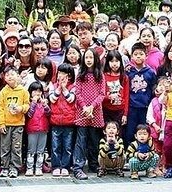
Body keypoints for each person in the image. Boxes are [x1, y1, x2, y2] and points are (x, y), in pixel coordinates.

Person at [72, 48, 105, 180]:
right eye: (87, 58)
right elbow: (77, 92)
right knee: (81, 140)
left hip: (96, 111)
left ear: (96, 59)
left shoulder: (100, 75)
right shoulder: (80, 74)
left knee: (94, 139)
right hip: (83, 111)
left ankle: (94, 164)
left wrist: (92, 106)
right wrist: (85, 107)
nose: (89, 60)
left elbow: (102, 94)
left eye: (91, 57)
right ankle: (78, 167)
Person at [0, 68, 29, 178]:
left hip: (18, 124)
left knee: (16, 147)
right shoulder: (3, 92)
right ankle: (4, 167)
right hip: (6, 124)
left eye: (12, 74)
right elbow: (0, 108)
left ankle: (15, 167)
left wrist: (21, 108)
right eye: (7, 75)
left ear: (17, 75)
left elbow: (27, 105)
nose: (10, 77)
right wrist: (1, 123)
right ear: (4, 78)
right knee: (5, 147)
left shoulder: (23, 91)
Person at [125, 43, 157, 146]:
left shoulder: (150, 72)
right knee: (130, 131)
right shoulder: (128, 72)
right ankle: (130, 152)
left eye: (141, 54)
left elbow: (153, 90)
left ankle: (145, 151)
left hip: (145, 107)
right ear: (132, 56)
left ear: (146, 55)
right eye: (136, 54)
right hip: (131, 107)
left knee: (144, 131)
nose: (138, 56)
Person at [49, 63, 77, 177]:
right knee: (55, 146)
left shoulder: (73, 87)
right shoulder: (53, 85)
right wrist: (59, 88)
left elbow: (71, 99)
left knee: (67, 146)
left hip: (69, 121)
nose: (61, 76)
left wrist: (65, 88)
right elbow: (52, 99)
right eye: (59, 73)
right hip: (55, 121)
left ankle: (65, 166)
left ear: (69, 76)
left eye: (64, 74)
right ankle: (56, 166)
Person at [25, 81, 51, 176]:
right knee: (31, 150)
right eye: (35, 91)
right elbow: (29, 114)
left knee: (41, 151)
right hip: (32, 130)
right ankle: (29, 168)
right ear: (30, 92)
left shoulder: (44, 102)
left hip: (43, 129)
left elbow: (49, 114)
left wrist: (45, 105)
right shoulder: (28, 102)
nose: (37, 93)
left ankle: (39, 168)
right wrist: (33, 103)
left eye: (39, 91)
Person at [103, 50, 129, 136]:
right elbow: (101, 95)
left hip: (119, 110)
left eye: (117, 61)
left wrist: (125, 114)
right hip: (106, 110)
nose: (114, 64)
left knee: (118, 134)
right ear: (108, 62)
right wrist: (109, 97)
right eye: (111, 61)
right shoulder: (104, 76)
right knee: (106, 133)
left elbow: (126, 96)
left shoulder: (124, 77)